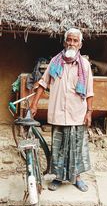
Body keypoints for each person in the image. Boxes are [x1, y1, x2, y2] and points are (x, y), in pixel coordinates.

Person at [31, 28, 94, 192]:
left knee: (76, 148)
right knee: (58, 147)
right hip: (59, 112)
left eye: (75, 41)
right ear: (65, 42)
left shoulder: (85, 65)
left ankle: (77, 178)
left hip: (77, 113)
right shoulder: (55, 61)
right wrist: (34, 103)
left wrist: (89, 112)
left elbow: (89, 91)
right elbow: (43, 83)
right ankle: (58, 177)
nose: (72, 43)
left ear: (80, 44)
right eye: (69, 40)